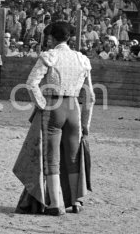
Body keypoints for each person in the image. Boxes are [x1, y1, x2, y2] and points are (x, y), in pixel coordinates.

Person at [16, 21, 95, 216]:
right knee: (73, 157)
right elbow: (91, 96)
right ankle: (75, 201)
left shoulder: (49, 56)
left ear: (52, 37)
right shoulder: (82, 59)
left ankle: (56, 204)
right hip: (74, 109)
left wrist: (42, 105)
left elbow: (31, 84)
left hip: (54, 108)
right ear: (69, 37)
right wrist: (85, 123)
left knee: (52, 158)